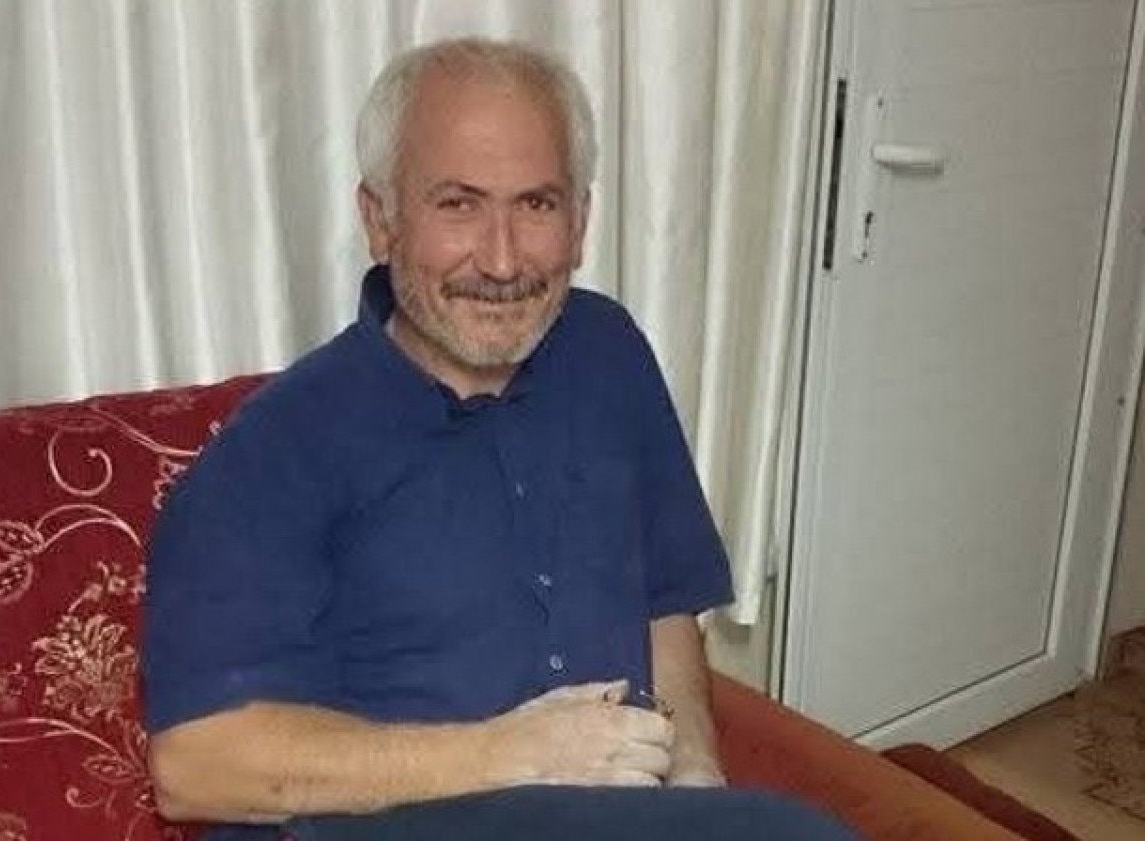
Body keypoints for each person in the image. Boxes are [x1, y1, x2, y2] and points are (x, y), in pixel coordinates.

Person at [143, 36, 856, 841]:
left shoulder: (608, 351)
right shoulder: (278, 446)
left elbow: (664, 603)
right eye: (458, 204)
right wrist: (509, 753)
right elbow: (194, 764)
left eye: (537, 205)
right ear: (380, 220)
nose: (503, 258)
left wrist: (694, 782)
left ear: (580, 221)